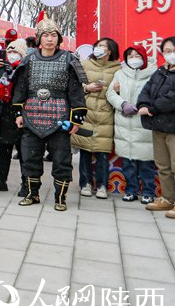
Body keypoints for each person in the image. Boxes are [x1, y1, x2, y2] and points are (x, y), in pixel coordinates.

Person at [12, 16, 87, 211]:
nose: (49, 39)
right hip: (32, 114)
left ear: (59, 38)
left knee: (62, 161)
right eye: (45, 35)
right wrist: (18, 113)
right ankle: (31, 193)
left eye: (53, 35)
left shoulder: (69, 59)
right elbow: (20, 88)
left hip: (60, 117)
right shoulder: (28, 59)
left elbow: (76, 92)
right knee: (29, 158)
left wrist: (76, 119)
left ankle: (60, 198)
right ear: (38, 38)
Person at [108, 47, 157, 204]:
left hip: (144, 125)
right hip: (124, 124)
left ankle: (148, 191)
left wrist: (147, 107)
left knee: (146, 162)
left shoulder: (154, 74)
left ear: (144, 57)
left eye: (137, 55)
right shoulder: (120, 74)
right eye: (130, 56)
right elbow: (110, 93)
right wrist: (122, 104)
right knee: (128, 162)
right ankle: (131, 190)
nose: (134, 58)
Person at [73, 38, 120, 199]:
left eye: (102, 46)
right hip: (87, 113)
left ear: (110, 51)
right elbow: (74, 85)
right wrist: (87, 87)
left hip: (106, 115)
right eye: (97, 46)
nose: (98, 49)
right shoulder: (86, 65)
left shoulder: (118, 69)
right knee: (85, 150)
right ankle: (84, 183)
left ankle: (102, 186)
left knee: (102, 152)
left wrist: (118, 90)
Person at [137, 36, 175, 217]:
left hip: (173, 127)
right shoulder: (161, 71)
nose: (170, 55)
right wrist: (142, 104)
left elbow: (171, 98)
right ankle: (167, 199)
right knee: (163, 165)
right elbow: (146, 89)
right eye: (167, 51)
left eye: (173, 51)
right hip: (159, 126)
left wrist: (151, 108)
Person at [0, 39, 28, 193]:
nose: (11, 55)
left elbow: (23, 88)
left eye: (15, 52)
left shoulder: (24, 68)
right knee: (3, 150)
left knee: (24, 151)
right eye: (9, 52)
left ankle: (26, 183)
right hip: (3, 113)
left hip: (20, 113)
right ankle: (1, 180)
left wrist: (13, 71)